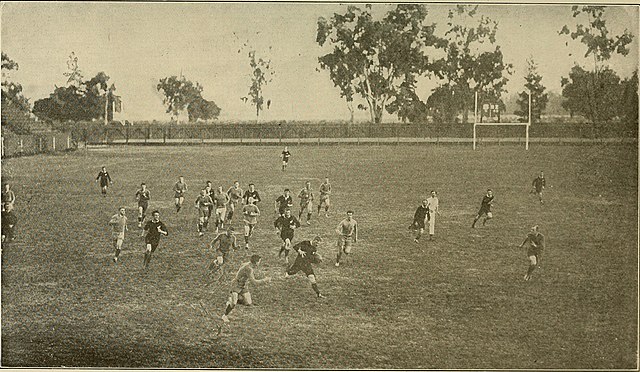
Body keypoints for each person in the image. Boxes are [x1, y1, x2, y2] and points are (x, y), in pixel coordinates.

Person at [221, 254, 272, 323]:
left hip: (243, 285)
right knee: (233, 303)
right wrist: (265, 280)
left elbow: (242, 268)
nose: (260, 263)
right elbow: (254, 282)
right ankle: (224, 316)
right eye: (259, 261)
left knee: (248, 302)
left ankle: (233, 299)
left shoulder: (248, 264)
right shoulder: (249, 268)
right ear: (256, 262)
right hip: (236, 285)